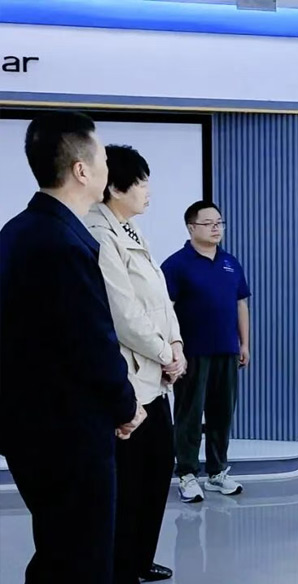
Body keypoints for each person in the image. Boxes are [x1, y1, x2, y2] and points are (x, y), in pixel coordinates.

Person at [0, 111, 146, 584]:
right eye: (102, 157)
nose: (107, 167)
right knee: (81, 559)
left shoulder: (19, 230)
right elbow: (90, 343)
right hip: (67, 432)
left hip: (32, 426)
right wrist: (125, 405)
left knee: (58, 550)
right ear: (82, 170)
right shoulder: (62, 242)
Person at [84, 145, 185, 583]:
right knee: (130, 481)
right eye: (141, 183)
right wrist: (165, 354)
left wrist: (176, 343)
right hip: (131, 379)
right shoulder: (99, 232)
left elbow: (160, 298)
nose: (148, 191)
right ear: (114, 186)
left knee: (159, 469)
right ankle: (122, 565)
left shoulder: (131, 229)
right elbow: (123, 313)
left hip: (156, 376)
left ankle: (141, 558)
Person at [161, 201, 251, 502]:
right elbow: (165, 310)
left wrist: (244, 343)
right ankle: (187, 474)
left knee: (221, 413)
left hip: (226, 350)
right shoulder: (176, 264)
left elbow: (241, 304)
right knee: (188, 414)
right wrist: (172, 350)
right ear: (191, 227)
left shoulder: (230, 263)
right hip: (192, 353)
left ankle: (217, 472)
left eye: (219, 222)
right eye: (208, 223)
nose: (216, 228)